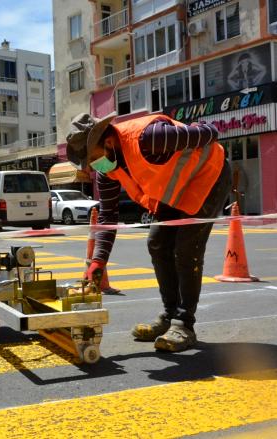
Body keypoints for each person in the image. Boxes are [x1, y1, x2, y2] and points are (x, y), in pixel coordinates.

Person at [66, 112, 231, 352]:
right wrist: (97, 263)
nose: (93, 166)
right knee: (157, 243)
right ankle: (170, 315)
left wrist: (201, 127)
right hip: (176, 190)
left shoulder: (150, 138)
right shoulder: (107, 171)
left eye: (93, 158)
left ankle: (184, 323)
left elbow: (210, 133)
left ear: (108, 142)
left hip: (209, 176)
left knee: (186, 248)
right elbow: (108, 217)